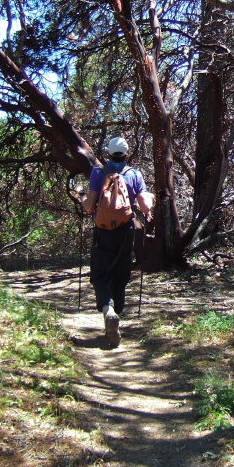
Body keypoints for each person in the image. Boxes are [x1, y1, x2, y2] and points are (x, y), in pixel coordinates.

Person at [78, 137, 154, 347]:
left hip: (103, 230)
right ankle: (116, 312)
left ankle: (107, 309)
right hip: (125, 230)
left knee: (100, 274)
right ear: (127, 155)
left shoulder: (97, 173)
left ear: (108, 154)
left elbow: (89, 208)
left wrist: (81, 193)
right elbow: (145, 207)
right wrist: (150, 198)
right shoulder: (134, 174)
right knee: (121, 273)